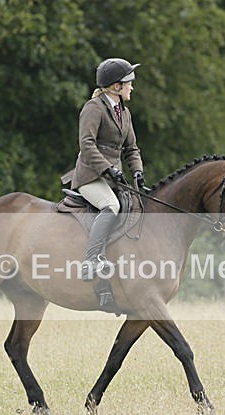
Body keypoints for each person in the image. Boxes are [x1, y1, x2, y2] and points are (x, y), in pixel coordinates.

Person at [70, 57, 147, 281]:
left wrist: (137, 171)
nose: (132, 87)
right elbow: (86, 145)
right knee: (111, 205)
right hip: (90, 176)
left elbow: (132, 148)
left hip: (114, 178)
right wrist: (107, 169)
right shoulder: (93, 108)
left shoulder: (125, 113)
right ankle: (91, 261)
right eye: (129, 83)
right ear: (116, 86)